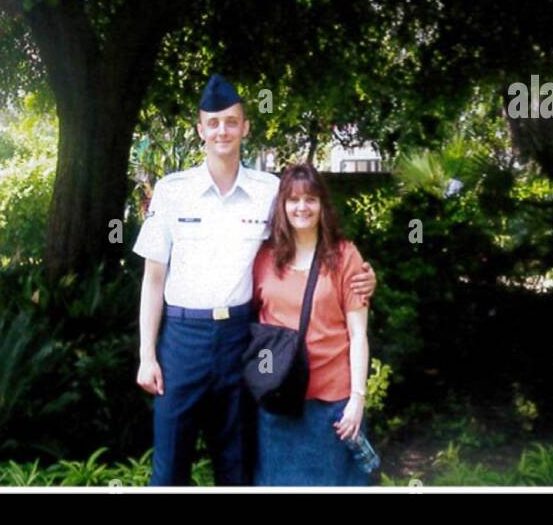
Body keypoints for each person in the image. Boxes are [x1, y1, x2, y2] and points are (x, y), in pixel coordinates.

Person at [133, 74, 376, 486]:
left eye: (231, 121)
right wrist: (146, 354)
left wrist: (361, 274)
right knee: (169, 468)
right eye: (213, 123)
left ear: (245, 127)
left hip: (239, 340)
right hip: (183, 339)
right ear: (200, 131)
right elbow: (153, 280)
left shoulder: (268, 191)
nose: (222, 130)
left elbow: (308, 237)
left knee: (237, 465)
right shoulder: (173, 192)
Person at [251, 162, 373, 486]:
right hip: (278, 404)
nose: (301, 207)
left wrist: (358, 398)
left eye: (310, 199)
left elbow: (358, 333)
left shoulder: (345, 256)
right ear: (282, 206)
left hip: (332, 407)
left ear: (322, 205)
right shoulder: (263, 258)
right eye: (293, 200)